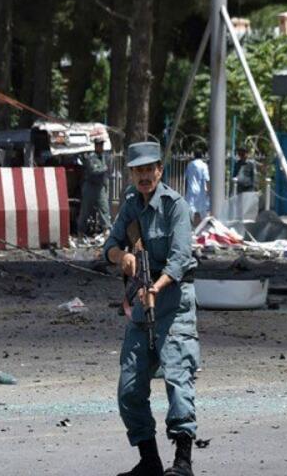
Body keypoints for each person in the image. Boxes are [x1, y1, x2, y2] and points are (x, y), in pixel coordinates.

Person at [103, 141, 199, 476]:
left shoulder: (176, 206)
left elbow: (180, 258)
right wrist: (124, 257)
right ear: (131, 173)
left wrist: (156, 288)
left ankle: (182, 462)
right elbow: (110, 248)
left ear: (160, 169)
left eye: (150, 169)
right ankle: (149, 461)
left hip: (173, 304)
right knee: (129, 387)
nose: (144, 176)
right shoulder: (130, 206)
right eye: (138, 170)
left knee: (178, 379)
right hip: (142, 307)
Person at [77, 136, 112, 236]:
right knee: (86, 210)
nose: (101, 147)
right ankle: (80, 231)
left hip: (100, 187)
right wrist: (105, 168)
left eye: (102, 145)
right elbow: (94, 170)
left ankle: (106, 230)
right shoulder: (91, 157)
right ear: (96, 146)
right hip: (90, 186)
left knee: (104, 207)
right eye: (99, 145)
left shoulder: (104, 157)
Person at [183, 150, 209, 225]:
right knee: (201, 210)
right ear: (202, 156)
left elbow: (186, 179)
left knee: (190, 209)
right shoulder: (204, 165)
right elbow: (207, 179)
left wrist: (185, 189)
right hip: (201, 191)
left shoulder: (190, 165)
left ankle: (192, 225)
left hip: (191, 190)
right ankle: (200, 226)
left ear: (194, 156)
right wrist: (208, 191)